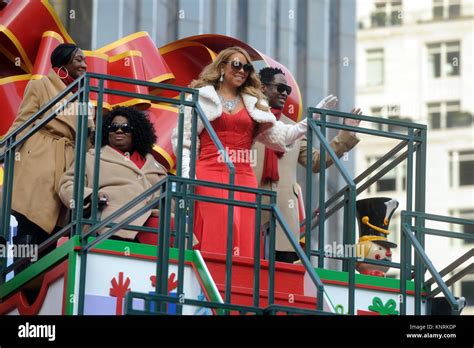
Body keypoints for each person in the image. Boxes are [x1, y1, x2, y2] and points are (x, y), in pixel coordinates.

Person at [171, 47, 325, 258]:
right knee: (219, 227)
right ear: (222, 67)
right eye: (236, 64)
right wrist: (188, 174)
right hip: (209, 173)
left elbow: (281, 136)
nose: (242, 70)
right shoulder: (202, 97)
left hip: (243, 176)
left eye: (247, 67)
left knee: (242, 232)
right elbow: (184, 139)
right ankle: (210, 283)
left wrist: (308, 122)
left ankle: (236, 284)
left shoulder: (254, 102)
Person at [253, 67, 362, 263]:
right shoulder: (246, 119)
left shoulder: (293, 128)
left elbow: (316, 162)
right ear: (262, 88)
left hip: (284, 216)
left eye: (288, 89)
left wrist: (345, 135)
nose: (285, 93)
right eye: (280, 87)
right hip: (250, 207)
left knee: (283, 277)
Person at [5, 43, 89, 273]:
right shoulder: (41, 85)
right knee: (30, 227)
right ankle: (22, 283)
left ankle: (38, 288)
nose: (84, 64)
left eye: (85, 60)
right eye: (79, 59)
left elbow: (89, 138)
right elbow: (23, 121)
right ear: (63, 63)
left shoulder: (82, 96)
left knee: (54, 235)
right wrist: (6, 151)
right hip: (39, 159)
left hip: (67, 166)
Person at [59, 106, 168, 242]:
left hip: (152, 225)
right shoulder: (92, 158)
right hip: (110, 224)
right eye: (113, 127)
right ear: (106, 132)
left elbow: (171, 201)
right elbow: (66, 185)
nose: (119, 130)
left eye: (126, 127)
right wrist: (90, 196)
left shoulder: (156, 167)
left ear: (137, 132)